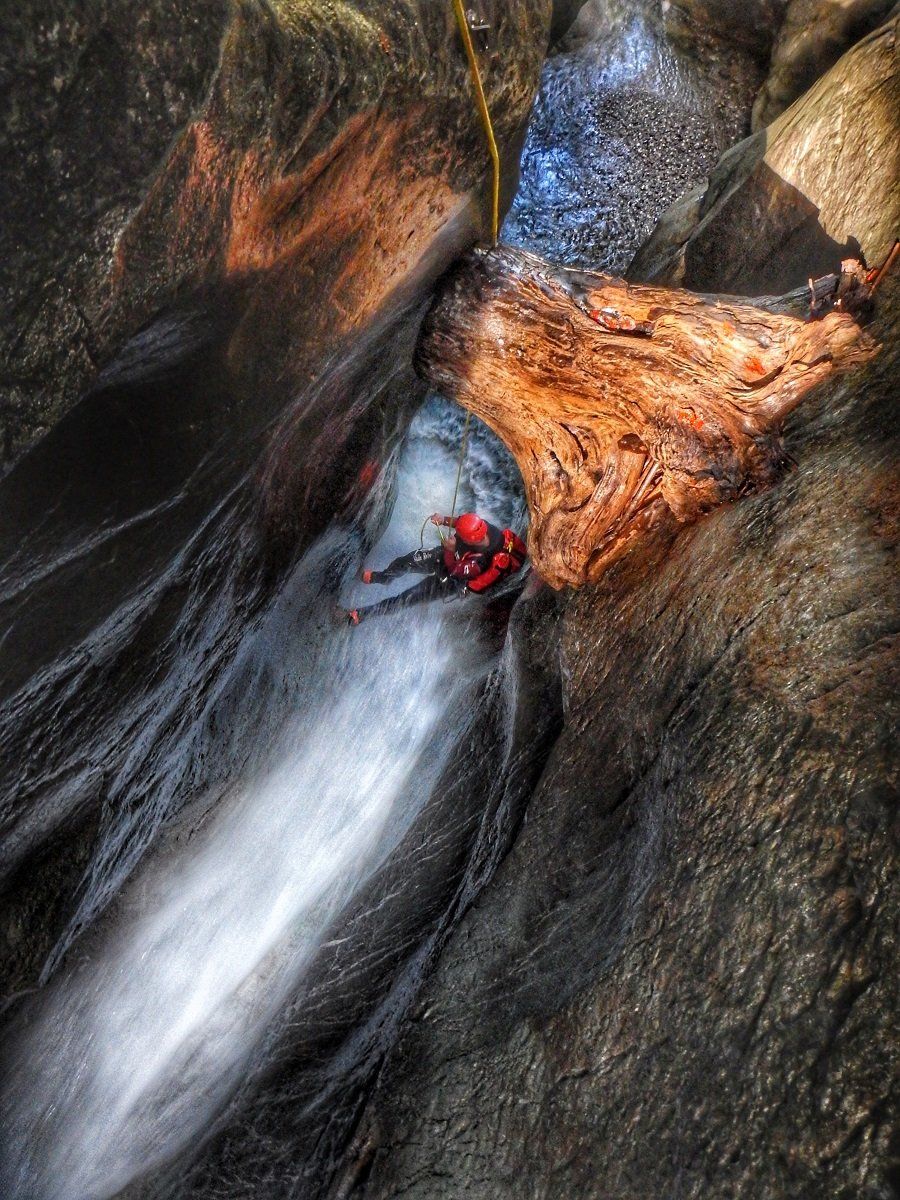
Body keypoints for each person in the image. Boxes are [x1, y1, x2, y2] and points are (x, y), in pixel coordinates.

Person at [345, 511, 527, 625]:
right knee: (407, 560)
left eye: (460, 536)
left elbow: (470, 580)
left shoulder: (487, 562)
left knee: (407, 598)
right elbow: (460, 522)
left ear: (471, 540)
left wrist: (453, 550)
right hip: (449, 556)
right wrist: (443, 520)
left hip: (454, 579)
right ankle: (383, 577)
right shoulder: (481, 527)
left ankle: (362, 614)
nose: (456, 535)